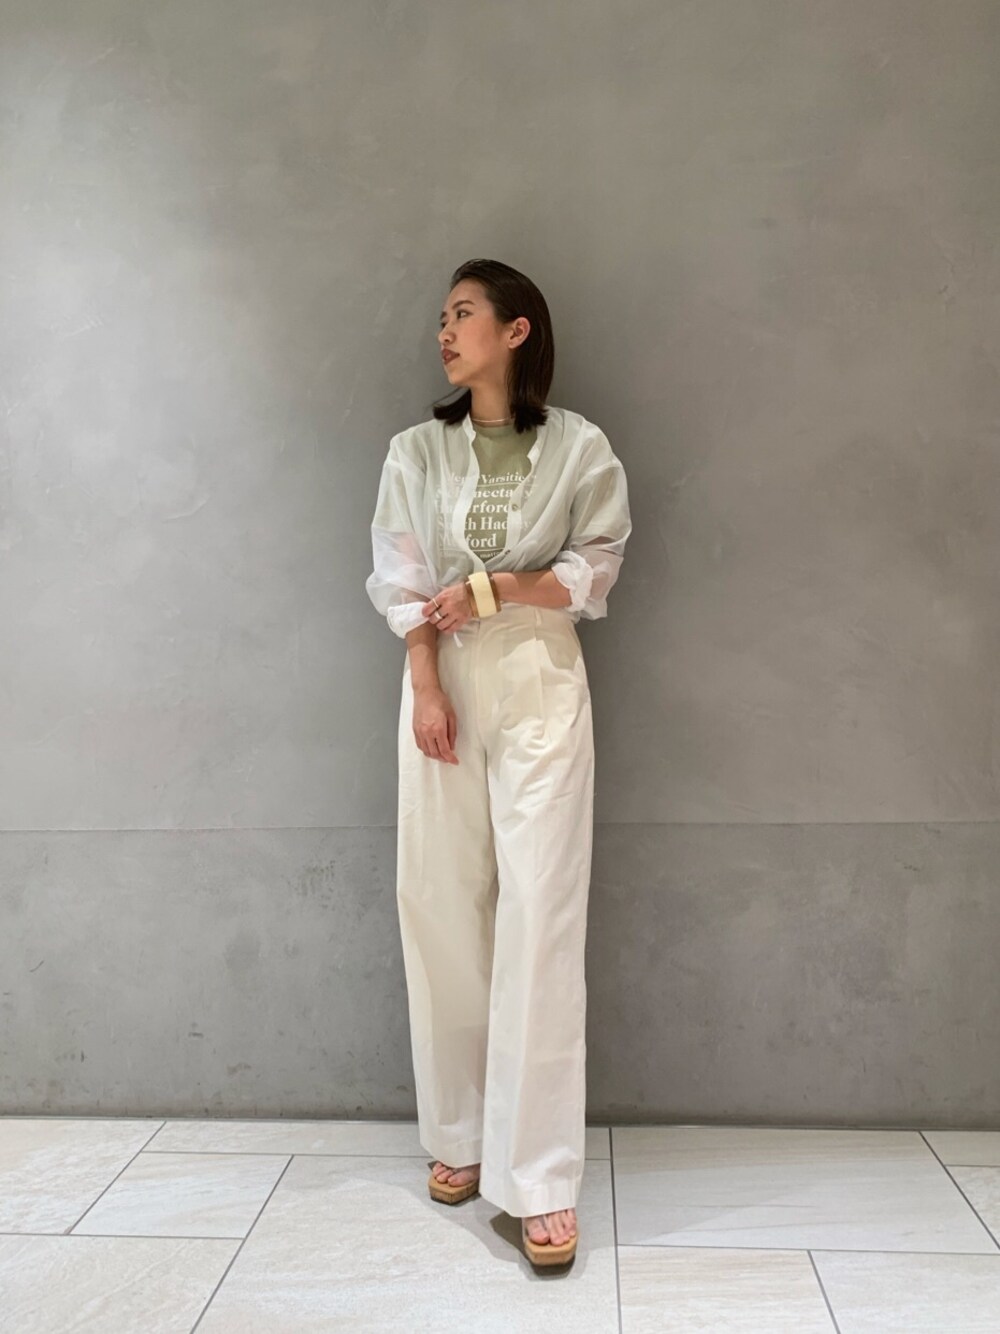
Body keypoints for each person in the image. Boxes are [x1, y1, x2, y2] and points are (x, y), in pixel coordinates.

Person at [365, 258, 631, 1267]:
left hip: (539, 678)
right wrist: (426, 681)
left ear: (516, 331)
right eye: (441, 316)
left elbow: (594, 567)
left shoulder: (580, 447)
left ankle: (542, 1177)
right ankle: (460, 1133)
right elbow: (400, 578)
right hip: (442, 680)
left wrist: (500, 589)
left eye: (464, 313)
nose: (444, 330)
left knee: (541, 910)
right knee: (438, 898)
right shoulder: (415, 451)